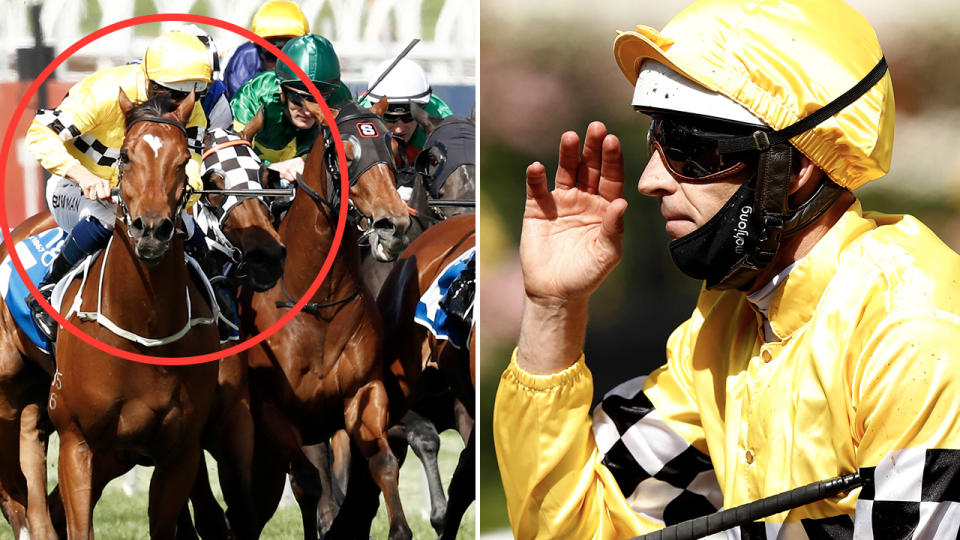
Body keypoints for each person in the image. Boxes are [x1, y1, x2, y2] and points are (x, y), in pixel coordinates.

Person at [494, 0, 960, 538]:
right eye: (658, 140)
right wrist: (553, 309)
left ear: (797, 167)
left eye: (690, 149)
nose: (650, 180)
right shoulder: (724, 326)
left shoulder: (913, 332)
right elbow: (576, 525)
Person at [25, 31, 212, 339]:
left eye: (194, 94)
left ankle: (217, 293)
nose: (181, 105)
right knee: (109, 217)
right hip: (75, 189)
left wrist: (178, 198)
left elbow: (191, 166)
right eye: (172, 94)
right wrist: (83, 177)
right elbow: (39, 133)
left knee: (190, 228)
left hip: (141, 196)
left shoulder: (191, 109)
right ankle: (46, 290)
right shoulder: (104, 92)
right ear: (150, 82)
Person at [230, 33, 350, 182]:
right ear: (281, 90)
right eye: (297, 98)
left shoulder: (340, 98)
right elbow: (232, 159)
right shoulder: (254, 95)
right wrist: (272, 168)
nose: (307, 111)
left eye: (319, 99)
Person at [360, 58, 453, 167]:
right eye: (390, 117)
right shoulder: (359, 118)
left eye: (408, 117)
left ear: (422, 111)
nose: (399, 129)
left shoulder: (443, 123)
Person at [222, 0, 310, 101]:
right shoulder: (242, 66)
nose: (280, 64)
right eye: (271, 54)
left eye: (289, 54)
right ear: (257, 49)